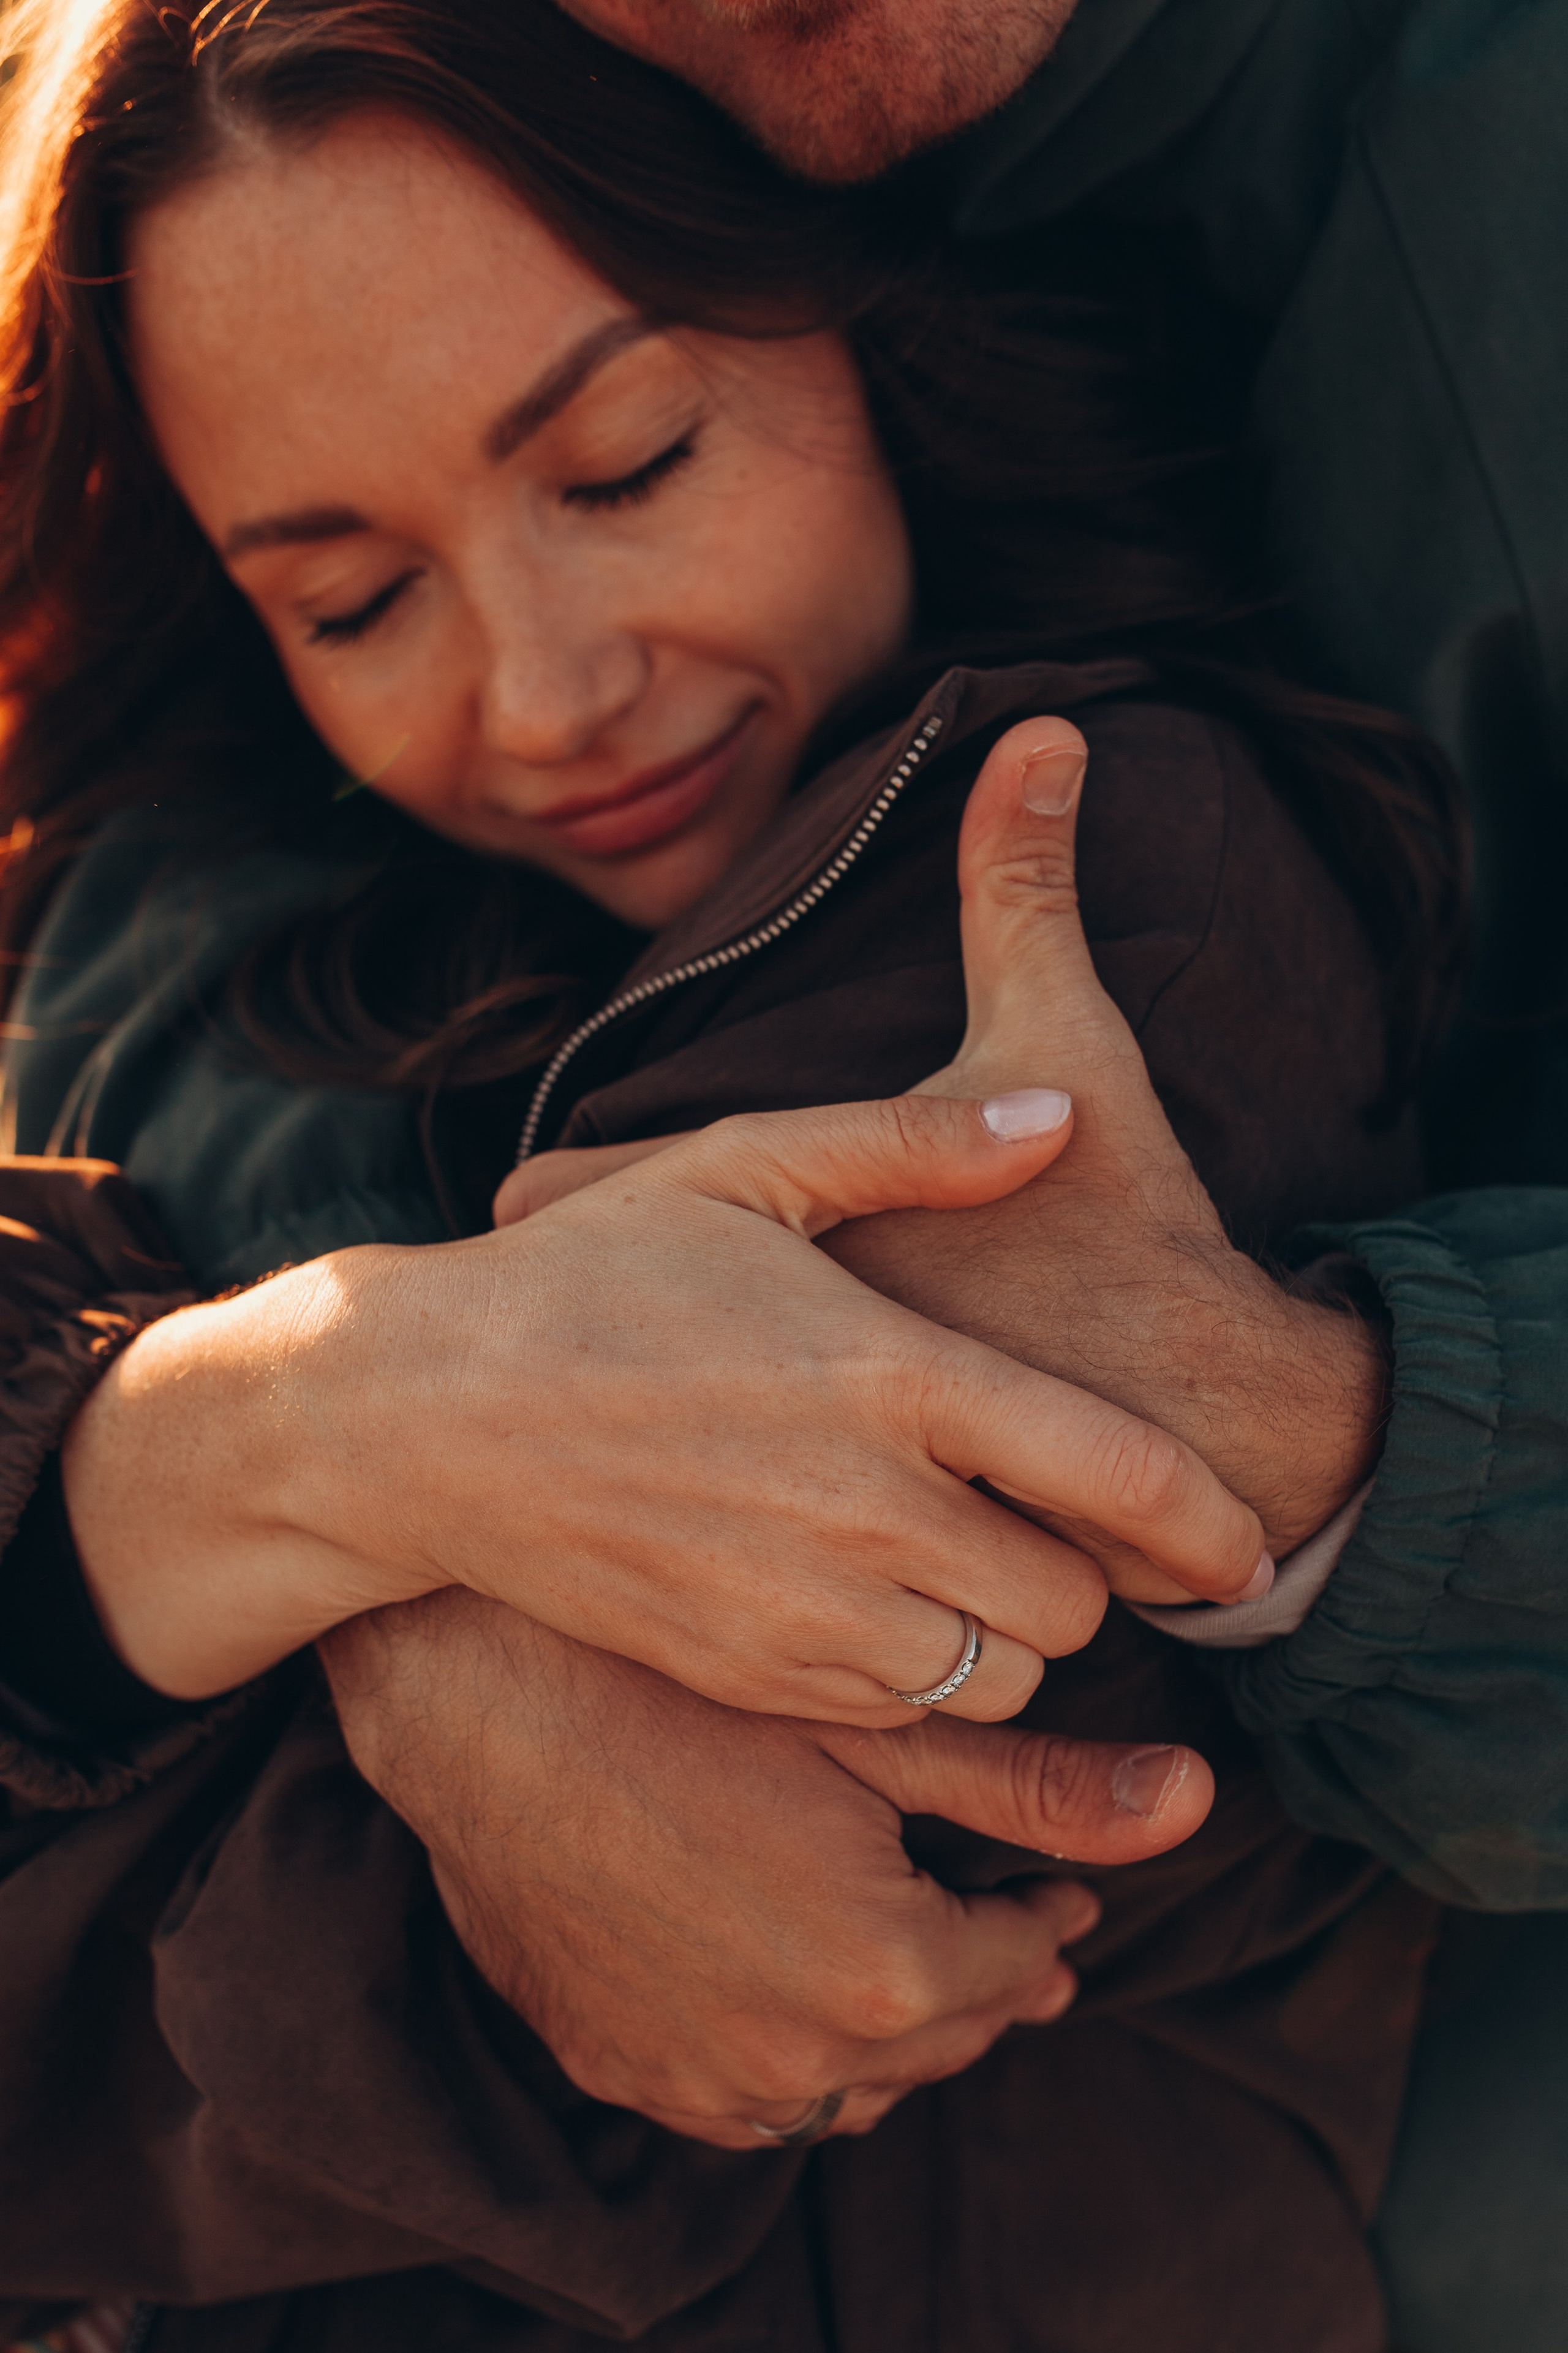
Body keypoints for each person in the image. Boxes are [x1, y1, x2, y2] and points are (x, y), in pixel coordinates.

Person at [0, 0, 1528, 2344]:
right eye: (351, 599)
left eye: (624, 461)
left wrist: (221, 1512)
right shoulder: (185, 942)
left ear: (860, 310)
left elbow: (566, 1994)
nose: (537, 693)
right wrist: (323, 1440)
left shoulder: (1102, 919)